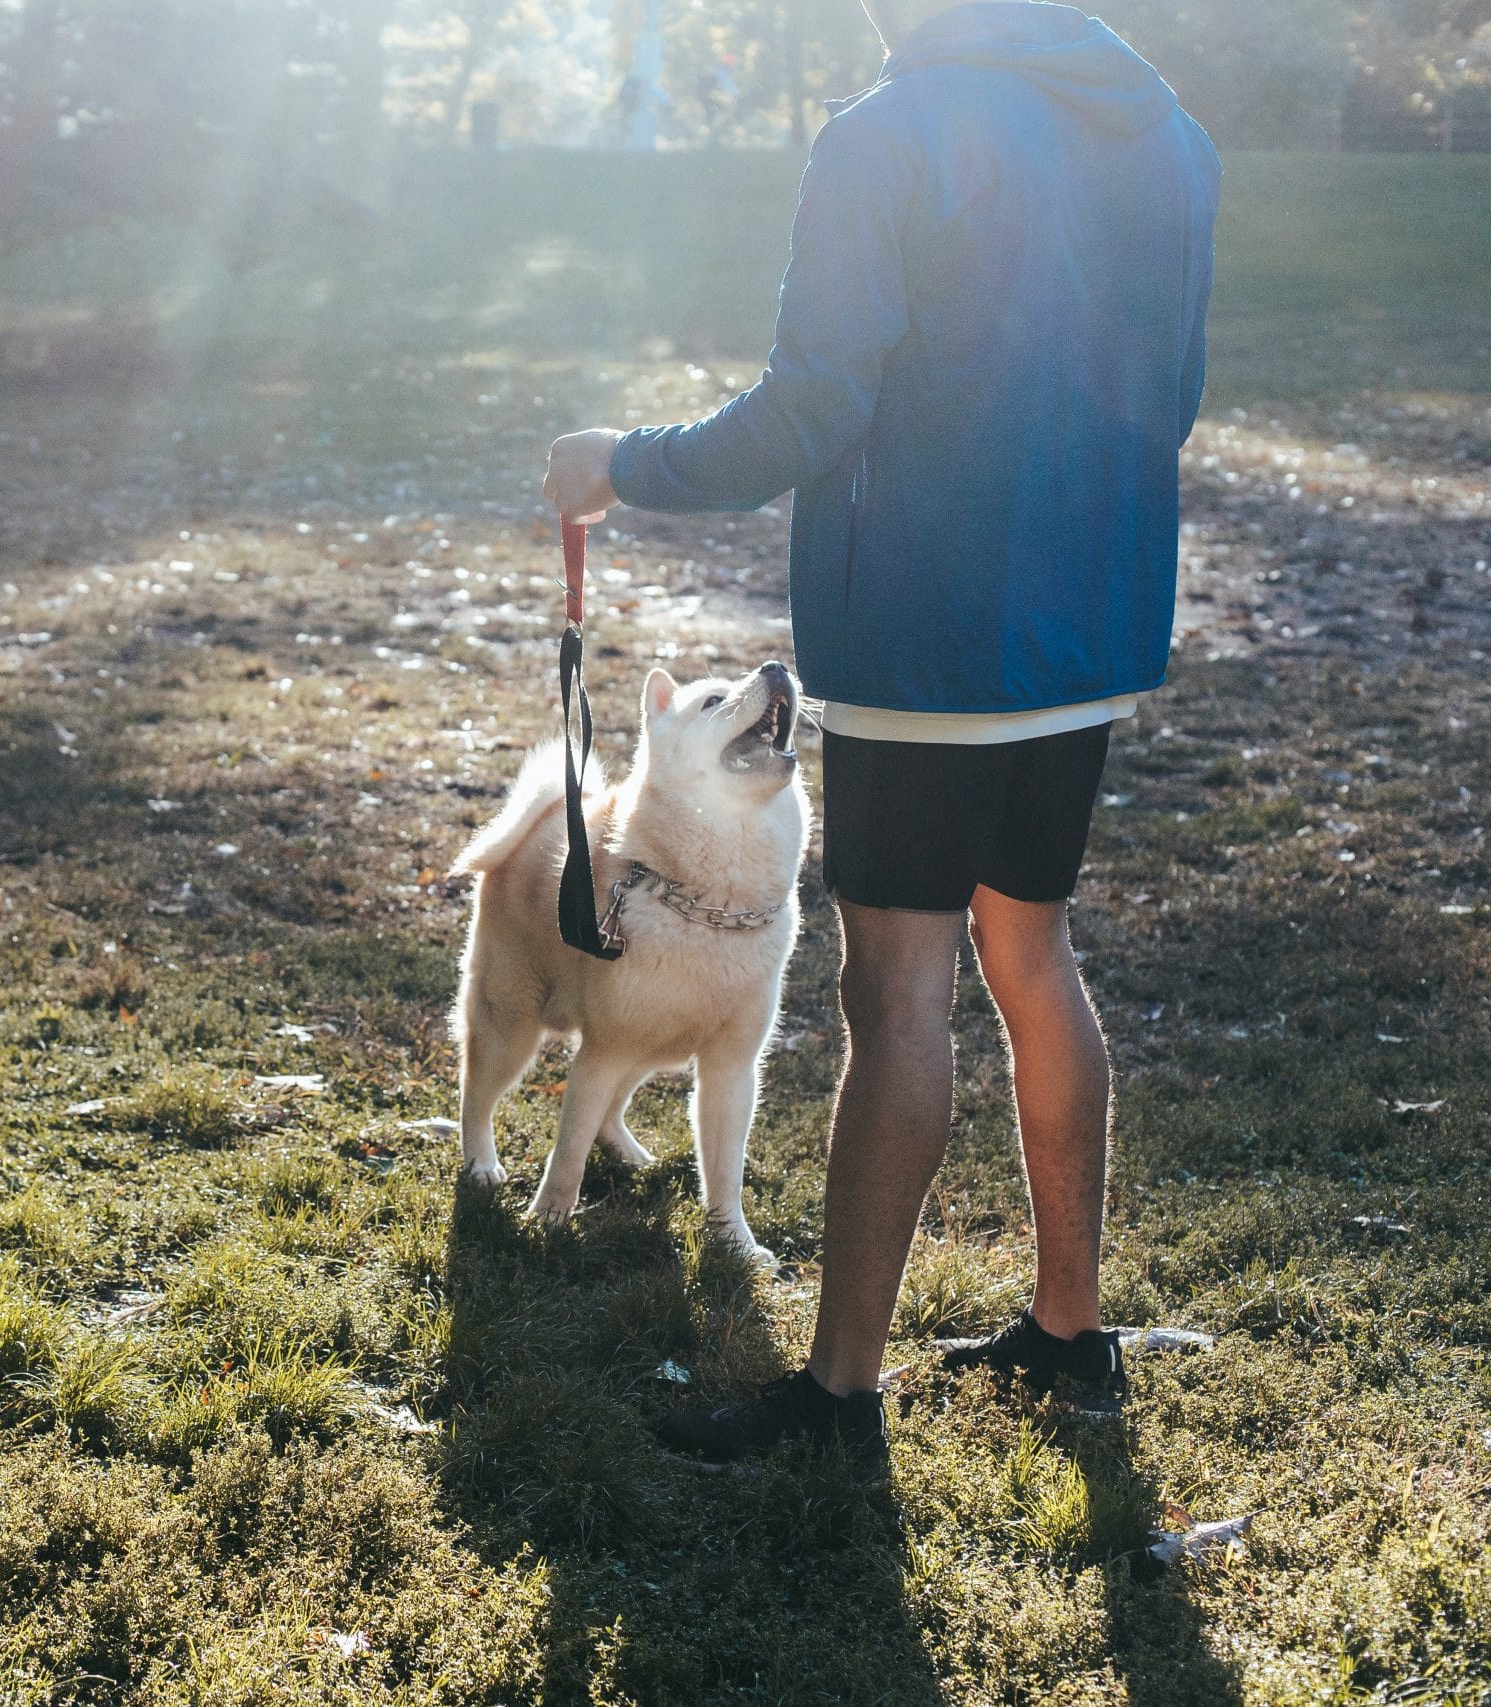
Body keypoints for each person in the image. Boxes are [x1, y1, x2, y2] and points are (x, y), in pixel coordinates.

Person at [541, 0, 1220, 1464]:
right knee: (1031, 953)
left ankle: (839, 1396)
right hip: (1086, 629)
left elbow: (805, 414)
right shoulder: (1169, 138)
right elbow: (1171, 399)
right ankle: (1066, 1333)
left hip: (934, 634)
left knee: (897, 993)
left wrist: (617, 465)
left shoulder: (886, 137)